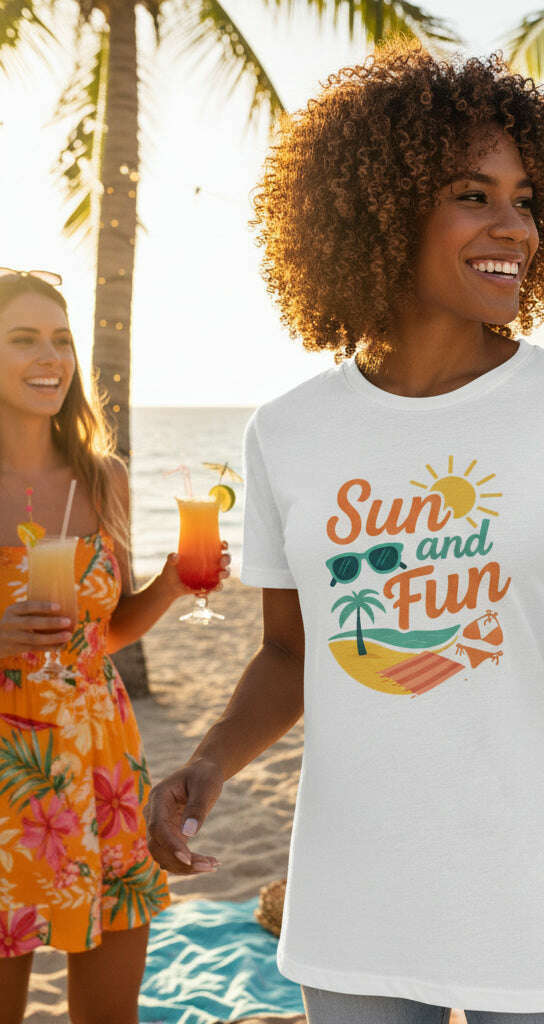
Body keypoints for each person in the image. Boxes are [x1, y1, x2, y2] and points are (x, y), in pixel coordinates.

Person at [144, 43, 544, 1024]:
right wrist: (210, 760)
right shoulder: (288, 431)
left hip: (539, 885)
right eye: (473, 195)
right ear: (379, 211)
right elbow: (291, 653)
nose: (514, 227)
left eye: (525, 199)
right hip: (356, 889)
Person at [0, 269, 229, 1024]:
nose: (51, 358)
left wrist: (170, 585)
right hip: (7, 773)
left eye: (61, 340)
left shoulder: (104, 479)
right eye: (24, 339)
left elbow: (108, 631)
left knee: (109, 1012)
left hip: (102, 761)